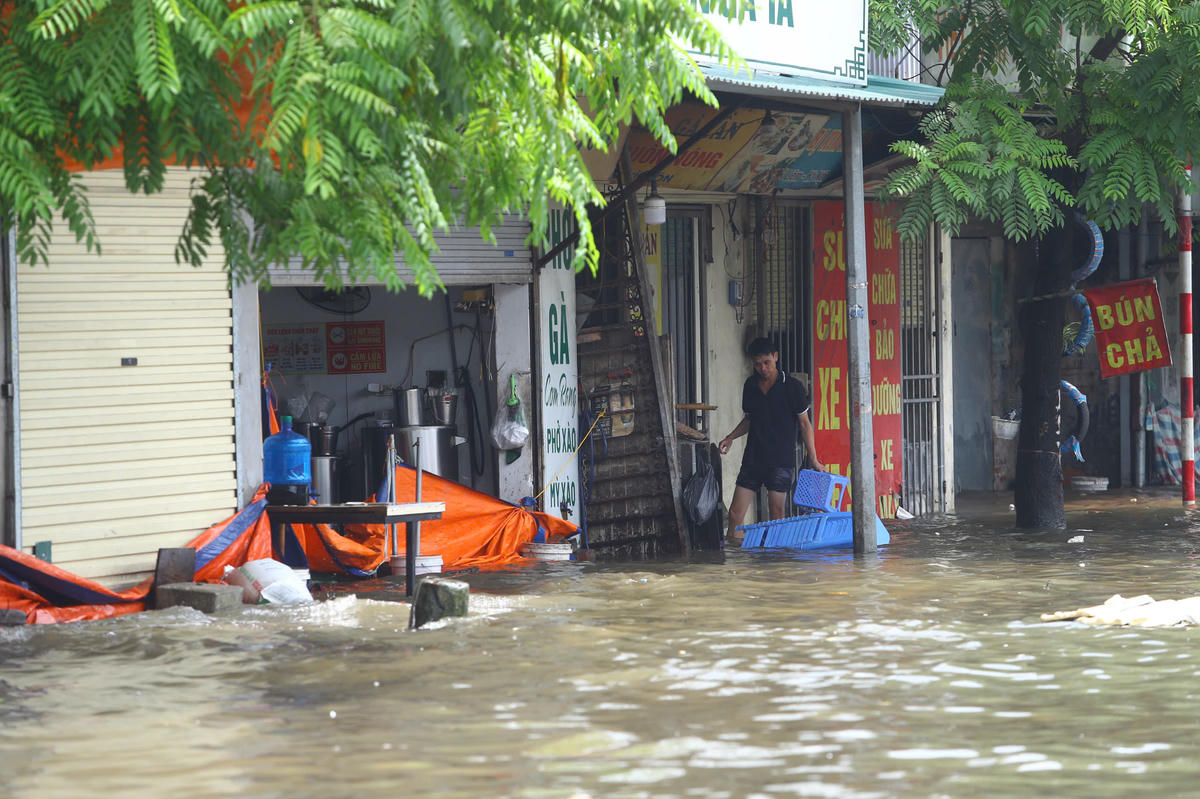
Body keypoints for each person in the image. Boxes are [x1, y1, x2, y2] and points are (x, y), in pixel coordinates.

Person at [718, 338, 824, 544]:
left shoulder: (793, 387)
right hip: (753, 459)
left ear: (776, 357)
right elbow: (750, 419)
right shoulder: (750, 385)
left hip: (781, 461)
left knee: (777, 515)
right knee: (734, 514)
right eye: (757, 364)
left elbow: (805, 425)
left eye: (767, 362)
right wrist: (730, 438)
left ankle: (777, 564)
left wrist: (814, 458)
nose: (763, 368)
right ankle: (733, 563)